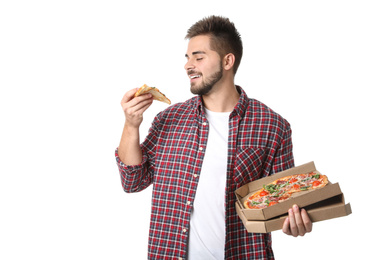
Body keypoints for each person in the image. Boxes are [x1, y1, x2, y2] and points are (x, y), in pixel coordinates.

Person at [115, 15, 312, 260]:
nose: (188, 65)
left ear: (227, 60)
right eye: (187, 58)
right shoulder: (168, 120)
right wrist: (131, 125)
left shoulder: (272, 126)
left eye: (199, 57)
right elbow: (133, 181)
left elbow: (285, 203)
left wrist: (295, 222)